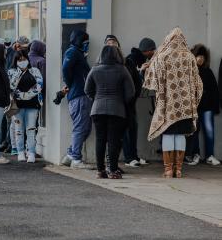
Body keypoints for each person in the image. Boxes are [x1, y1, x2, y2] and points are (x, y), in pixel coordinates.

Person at [144, 27, 203, 178]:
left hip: (168, 105)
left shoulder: (163, 56)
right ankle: (179, 169)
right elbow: (198, 83)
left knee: (169, 135)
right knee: (181, 135)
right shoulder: (189, 57)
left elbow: (151, 77)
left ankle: (168, 170)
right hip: (185, 106)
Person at [85, 46, 135, 179]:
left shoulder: (95, 69)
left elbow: (87, 89)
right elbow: (131, 92)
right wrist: (120, 101)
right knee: (113, 140)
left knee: (100, 139)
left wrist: (96, 98)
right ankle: (113, 170)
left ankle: (100, 171)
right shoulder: (122, 69)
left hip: (97, 109)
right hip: (116, 109)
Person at [122, 36, 157, 167]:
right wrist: (142, 72)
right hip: (126, 102)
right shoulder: (130, 61)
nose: (153, 53)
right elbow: (132, 83)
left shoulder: (136, 60)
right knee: (128, 130)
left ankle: (134, 156)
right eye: (152, 50)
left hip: (131, 102)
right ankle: (129, 158)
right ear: (146, 51)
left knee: (133, 129)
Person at [61, 30, 92, 169]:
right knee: (81, 127)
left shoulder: (76, 53)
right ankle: (76, 159)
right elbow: (66, 70)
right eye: (85, 42)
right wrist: (70, 84)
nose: (87, 45)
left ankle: (70, 155)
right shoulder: (72, 52)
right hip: (79, 95)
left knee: (85, 128)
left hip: (80, 95)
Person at [185, 44, 220, 166]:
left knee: (209, 131)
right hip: (194, 108)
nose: (200, 59)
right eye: (198, 56)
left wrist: (215, 107)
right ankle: (196, 155)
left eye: (203, 57)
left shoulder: (208, 72)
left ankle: (210, 156)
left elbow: (215, 90)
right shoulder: (189, 72)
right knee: (193, 132)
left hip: (207, 108)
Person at [8, 50, 43, 163]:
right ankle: (20, 152)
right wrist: (18, 73)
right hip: (17, 106)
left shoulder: (34, 71)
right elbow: (11, 87)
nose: (22, 61)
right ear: (15, 61)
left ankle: (31, 152)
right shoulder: (12, 72)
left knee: (31, 129)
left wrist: (26, 95)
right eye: (19, 59)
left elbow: (39, 85)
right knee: (19, 130)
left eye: (24, 59)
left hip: (32, 104)